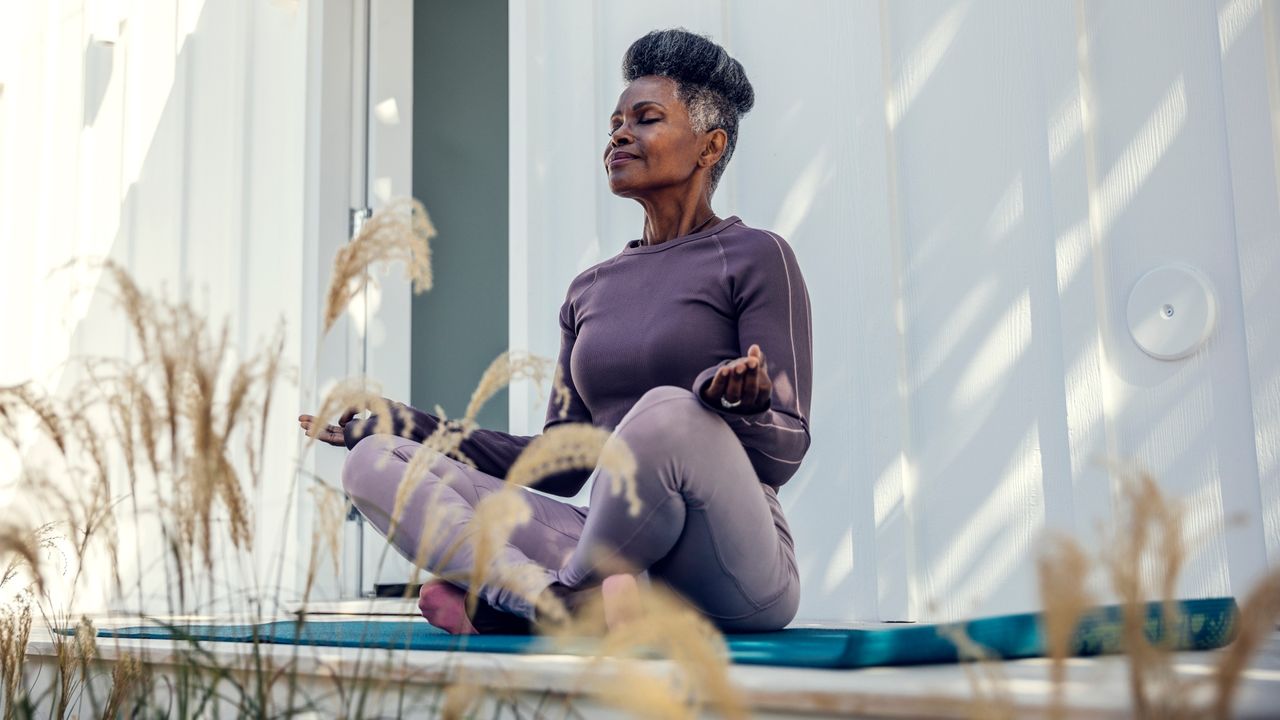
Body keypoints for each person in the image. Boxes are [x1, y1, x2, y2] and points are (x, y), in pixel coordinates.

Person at [299, 27, 812, 635]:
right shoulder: (590, 289)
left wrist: (742, 408)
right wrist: (405, 423)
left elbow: (786, 449)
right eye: (615, 123)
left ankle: (544, 601)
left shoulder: (756, 256)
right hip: (617, 557)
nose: (619, 134)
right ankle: (553, 601)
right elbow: (560, 463)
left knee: (668, 411)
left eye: (646, 119)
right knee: (374, 462)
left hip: (733, 569)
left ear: (709, 146)